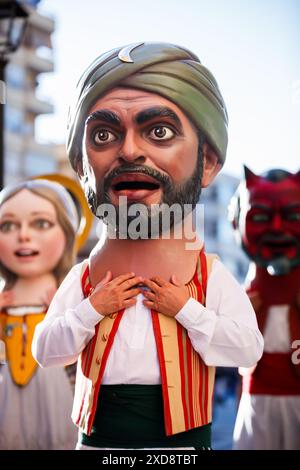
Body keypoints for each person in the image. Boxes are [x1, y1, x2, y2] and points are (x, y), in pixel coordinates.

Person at [32, 42, 263, 450]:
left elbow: (248, 350)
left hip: (181, 447)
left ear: (207, 161)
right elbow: (46, 351)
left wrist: (186, 310)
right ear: (82, 165)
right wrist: (91, 310)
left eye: (159, 131)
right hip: (99, 442)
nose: (130, 151)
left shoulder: (209, 277)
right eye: (103, 134)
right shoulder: (84, 279)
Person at [0, 179, 78, 450]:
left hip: (55, 388)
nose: (23, 236)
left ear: (67, 232)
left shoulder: (69, 291)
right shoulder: (4, 296)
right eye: (8, 225)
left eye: (41, 223)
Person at [230, 167, 300, 449]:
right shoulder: (243, 298)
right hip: (257, 395)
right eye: (260, 217)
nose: (276, 228)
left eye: (293, 217)